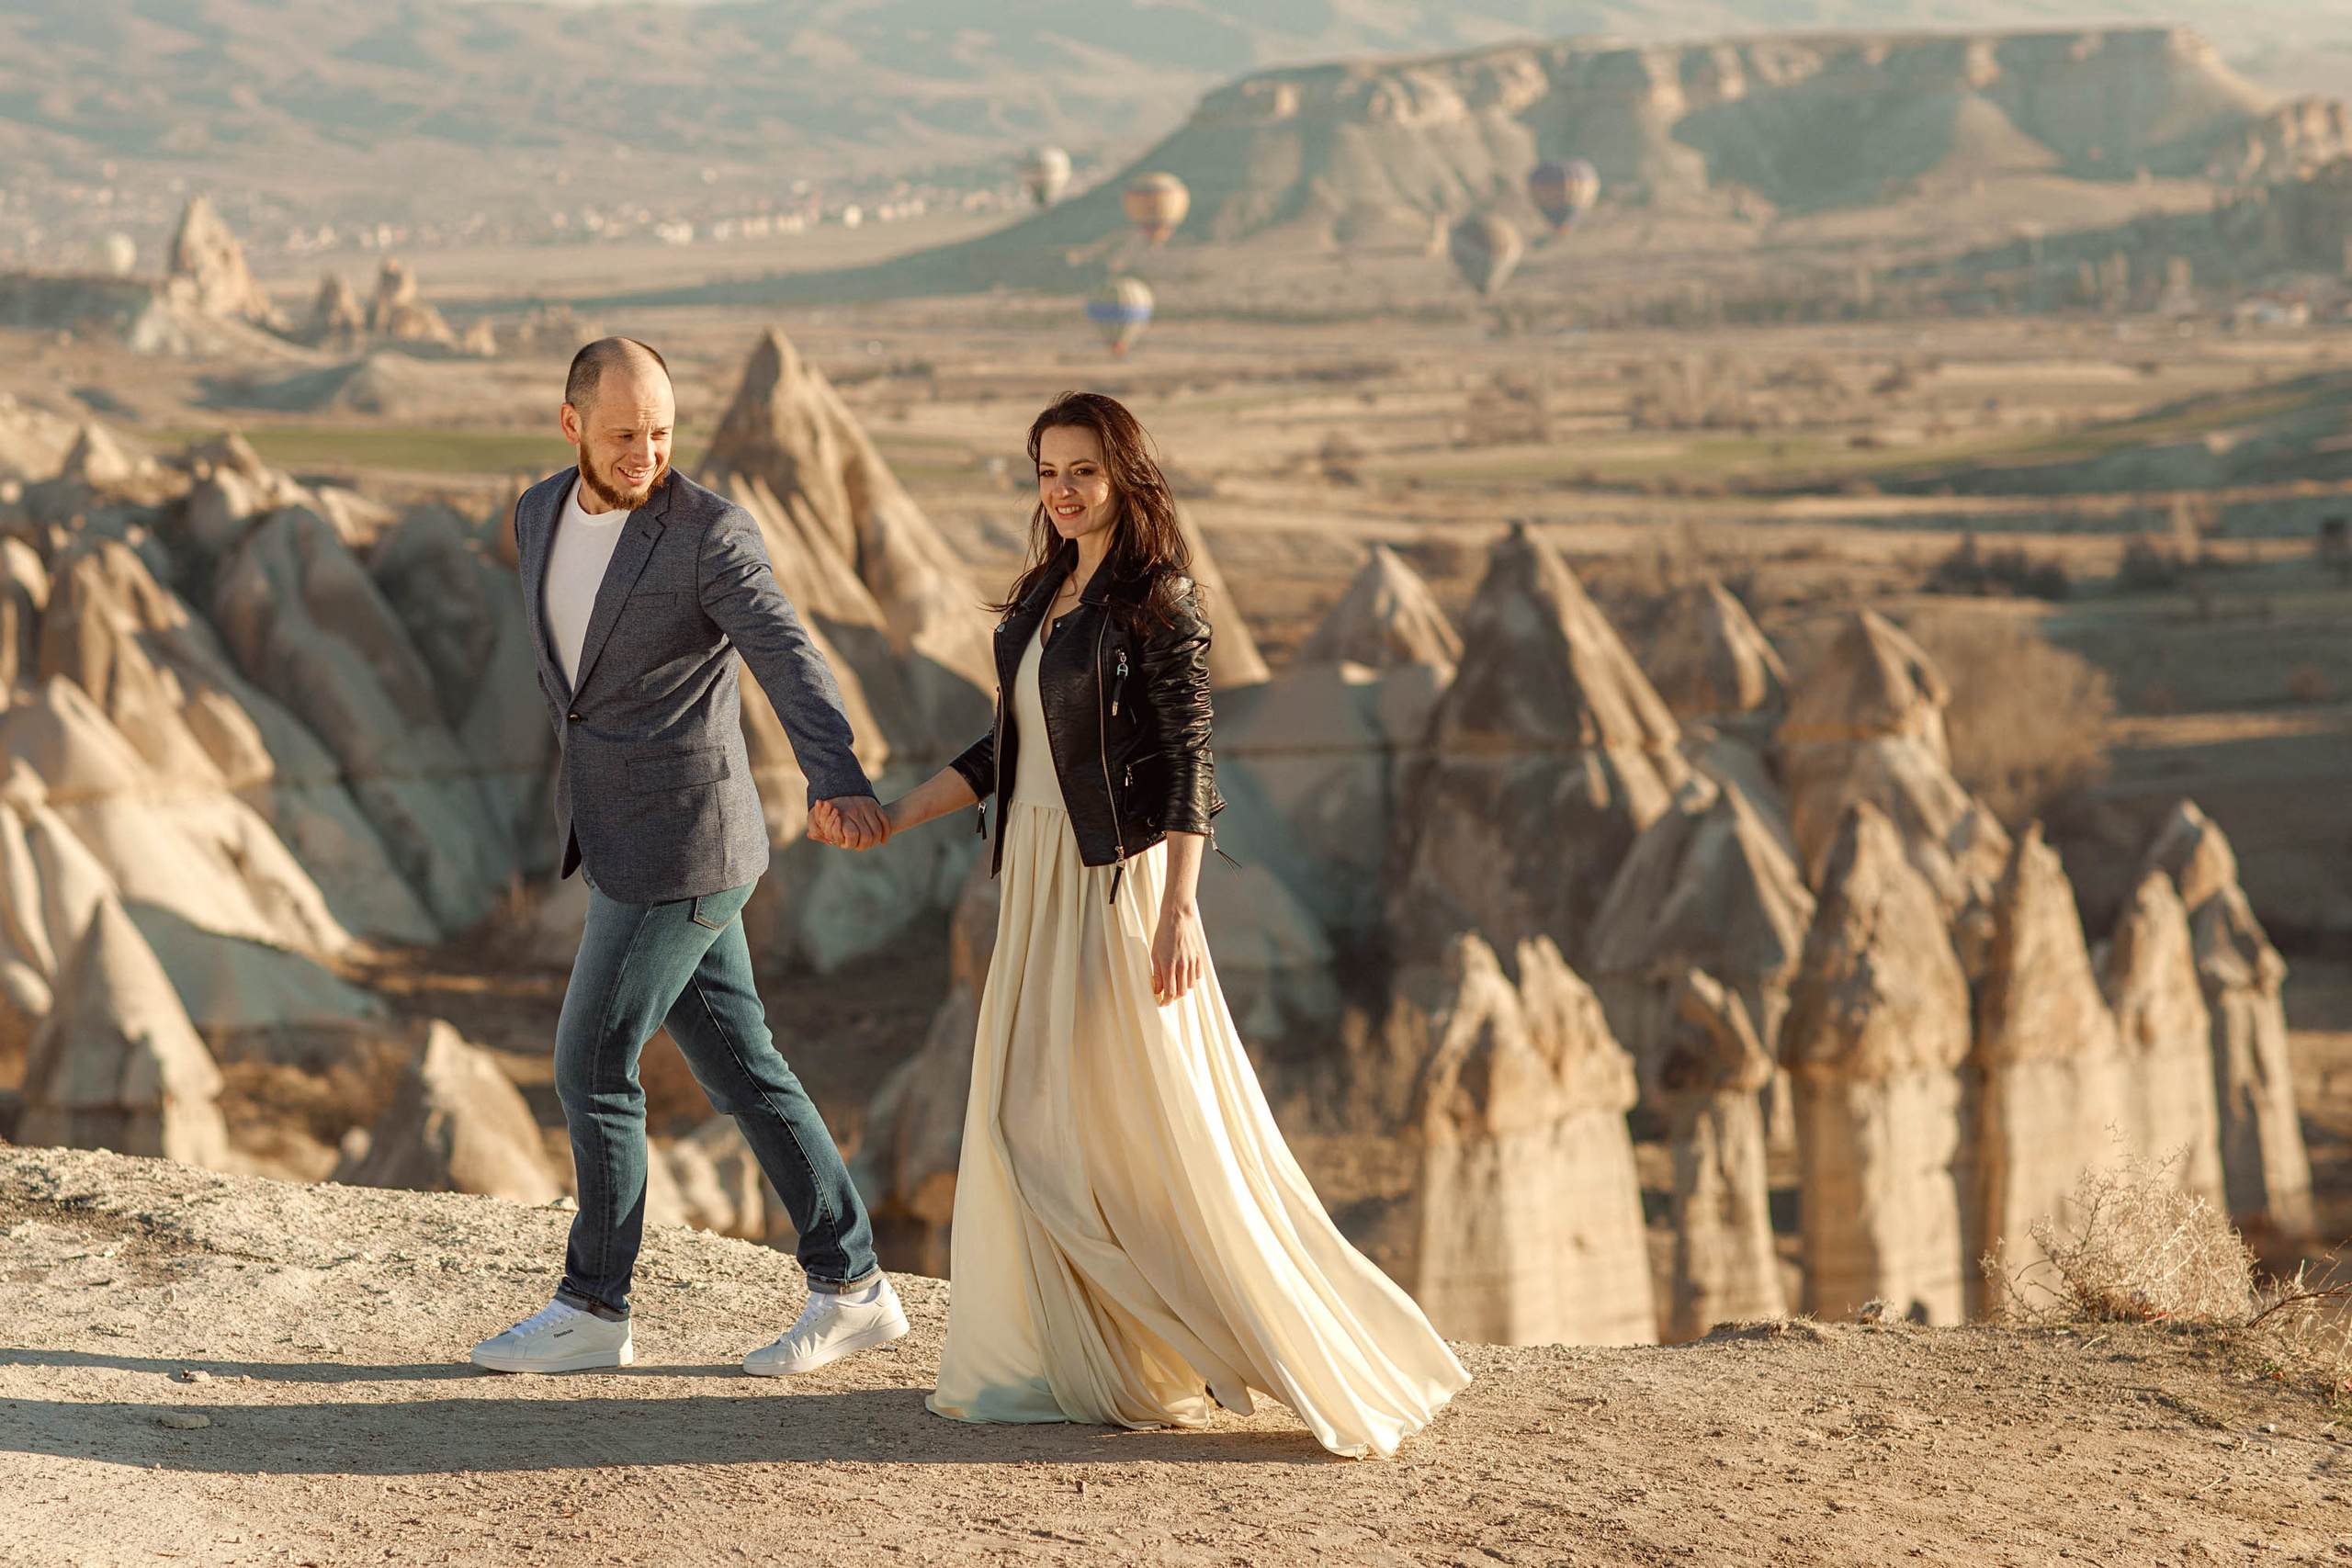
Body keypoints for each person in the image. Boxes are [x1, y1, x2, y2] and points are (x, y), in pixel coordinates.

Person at [835, 391, 1468, 1459]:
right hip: (1033, 871)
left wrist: (1178, 910)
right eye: (1046, 471)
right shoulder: (1044, 591)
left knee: (1133, 1129)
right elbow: (1010, 750)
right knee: (1024, 1121)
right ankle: (1080, 1356)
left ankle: (1210, 1340)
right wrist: (896, 813)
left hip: (1112, 881)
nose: (1063, 491)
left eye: (1082, 469)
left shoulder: (1158, 601)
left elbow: (1188, 766)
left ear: (1126, 473)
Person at [469, 337, 907, 1377]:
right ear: (570, 423)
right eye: (622, 434)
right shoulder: (535, 512)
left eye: (662, 432)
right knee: (745, 1070)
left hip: (688, 843)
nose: (645, 453)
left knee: (589, 1063)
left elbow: (785, 650)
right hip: (617, 829)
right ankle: (852, 1286)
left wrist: (834, 773)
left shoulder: (709, 531)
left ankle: (594, 1306)